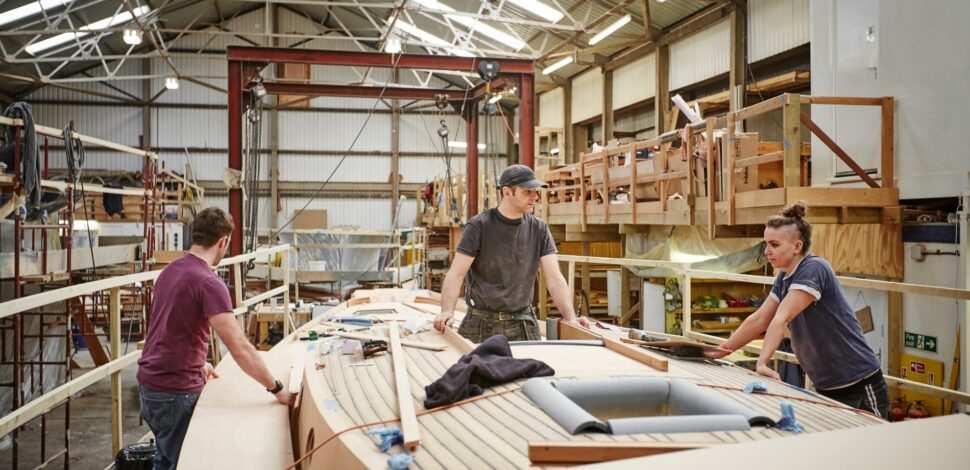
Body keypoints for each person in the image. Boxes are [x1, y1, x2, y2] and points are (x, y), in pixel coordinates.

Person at [136, 208, 293, 469]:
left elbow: (168, 328)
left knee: (165, 460)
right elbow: (240, 347)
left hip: (149, 386)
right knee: (187, 463)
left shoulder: (170, 272)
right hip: (175, 393)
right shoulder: (208, 282)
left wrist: (197, 360)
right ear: (222, 242)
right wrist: (277, 389)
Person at [716, 202, 889, 418]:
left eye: (774, 245)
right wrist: (722, 350)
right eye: (766, 244)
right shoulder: (784, 277)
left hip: (858, 381)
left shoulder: (813, 268)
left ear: (797, 247)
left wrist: (762, 362)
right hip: (826, 385)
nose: (767, 251)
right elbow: (759, 319)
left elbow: (781, 319)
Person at [433, 164, 589, 342]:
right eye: (527, 192)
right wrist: (447, 311)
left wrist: (570, 318)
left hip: (523, 323)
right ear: (507, 193)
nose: (535, 197)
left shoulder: (539, 229)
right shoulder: (479, 226)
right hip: (481, 323)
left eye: (536, 191)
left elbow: (554, 278)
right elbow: (455, 275)